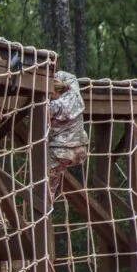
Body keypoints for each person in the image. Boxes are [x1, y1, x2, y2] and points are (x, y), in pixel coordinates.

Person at [47, 71, 88, 201]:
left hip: (61, 151)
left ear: (55, 93)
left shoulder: (52, 107)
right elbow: (72, 77)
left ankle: (46, 206)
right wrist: (55, 75)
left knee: (48, 185)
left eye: (50, 94)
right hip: (80, 150)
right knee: (54, 174)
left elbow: (36, 108)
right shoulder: (74, 95)